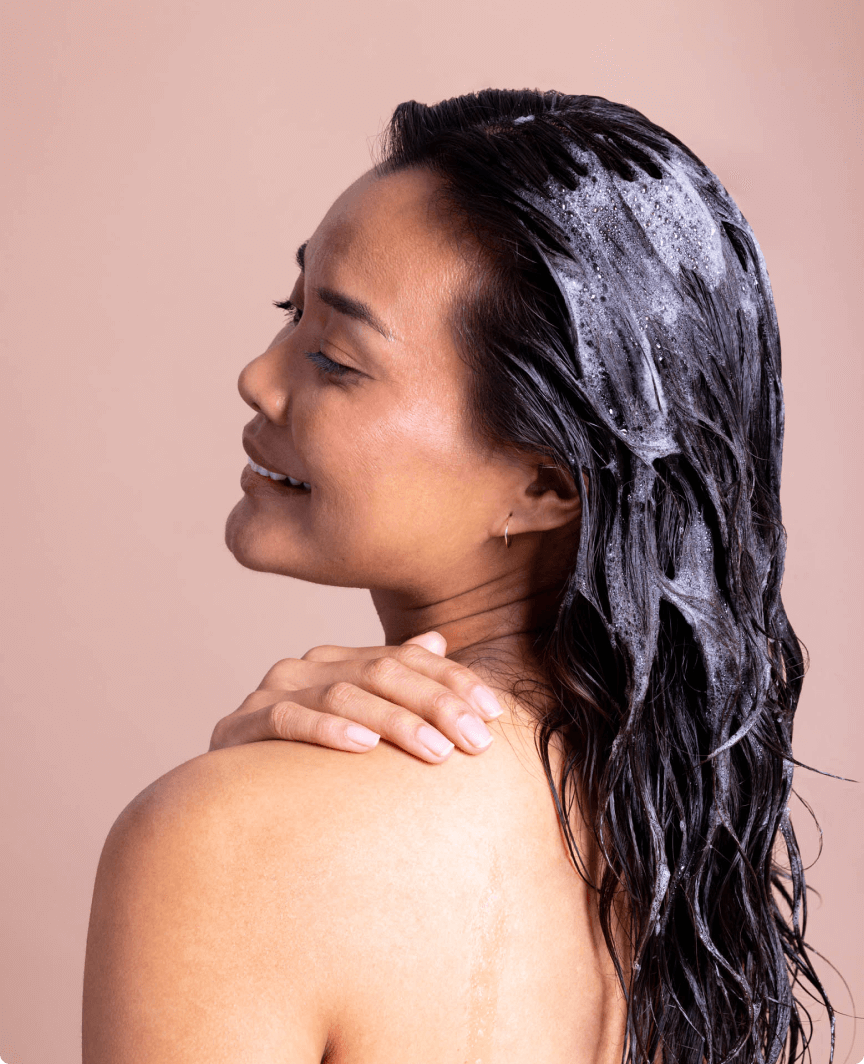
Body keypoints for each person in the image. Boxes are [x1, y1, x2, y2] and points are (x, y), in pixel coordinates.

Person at [83, 90, 833, 1063]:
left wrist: (236, 811)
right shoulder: (688, 838)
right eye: (289, 310)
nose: (259, 378)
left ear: (542, 483)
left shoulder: (227, 847)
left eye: (333, 355)